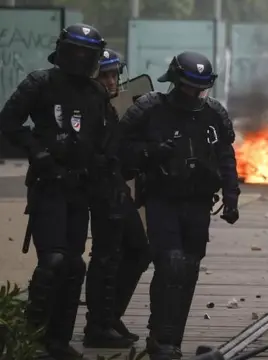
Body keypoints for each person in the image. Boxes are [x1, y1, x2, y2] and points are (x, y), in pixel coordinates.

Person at [117, 51, 241, 359]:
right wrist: (151, 152)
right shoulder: (149, 110)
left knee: (187, 270)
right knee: (170, 264)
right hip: (163, 199)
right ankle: (160, 339)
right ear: (174, 81)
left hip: (198, 203)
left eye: (199, 87)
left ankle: (170, 340)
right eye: (188, 86)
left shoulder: (213, 114)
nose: (194, 93)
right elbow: (119, 148)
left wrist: (231, 196)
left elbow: (226, 157)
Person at [0, 24, 109, 359]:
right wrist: (37, 150)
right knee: (53, 261)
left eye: (85, 53)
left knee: (74, 265)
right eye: (73, 51)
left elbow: (104, 141)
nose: (79, 58)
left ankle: (59, 342)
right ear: (62, 51)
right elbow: (8, 122)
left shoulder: (95, 93)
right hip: (49, 184)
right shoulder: (40, 82)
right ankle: (32, 341)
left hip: (80, 188)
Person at [83, 48, 151, 348]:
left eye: (114, 74)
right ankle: (98, 325)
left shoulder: (110, 105)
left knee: (138, 249)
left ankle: (109, 317)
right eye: (104, 75)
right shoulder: (85, 106)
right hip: (97, 187)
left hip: (115, 185)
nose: (111, 82)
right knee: (105, 256)